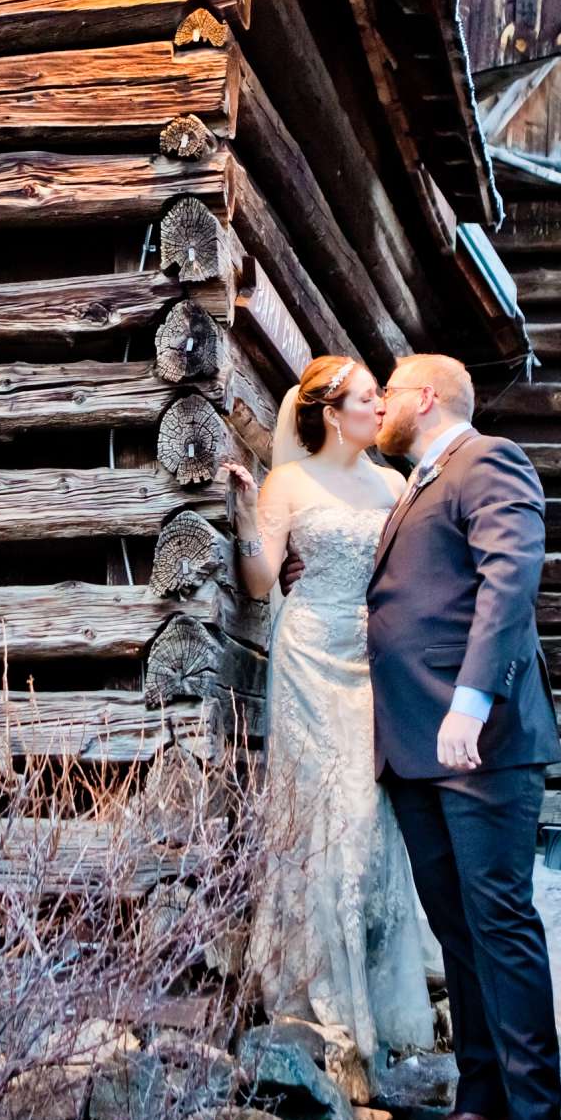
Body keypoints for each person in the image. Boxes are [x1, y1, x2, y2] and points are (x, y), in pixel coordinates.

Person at [365, 353, 561, 1120]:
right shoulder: (416, 486)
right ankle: (481, 1097)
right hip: (415, 747)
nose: (379, 407)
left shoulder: (488, 459)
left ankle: (535, 1113)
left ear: (425, 397)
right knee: (458, 928)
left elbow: (510, 579)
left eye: (387, 394)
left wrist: (471, 703)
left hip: (478, 738)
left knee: (501, 922)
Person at [221, 354, 435, 1066]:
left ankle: (374, 989)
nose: (382, 407)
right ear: (332, 414)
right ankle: (316, 991)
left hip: (372, 659)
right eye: (370, 398)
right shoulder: (289, 480)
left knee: (372, 815)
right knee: (323, 810)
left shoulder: (393, 484)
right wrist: (248, 516)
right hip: (310, 654)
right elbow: (258, 582)